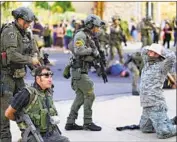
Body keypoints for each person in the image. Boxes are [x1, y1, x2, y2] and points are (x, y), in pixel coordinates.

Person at [0, 7, 41, 142]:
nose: (28, 24)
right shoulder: (9, 31)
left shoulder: (26, 34)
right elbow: (11, 55)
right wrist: (30, 60)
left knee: (25, 107)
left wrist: (37, 68)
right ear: (18, 19)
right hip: (6, 77)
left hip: (19, 77)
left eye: (30, 22)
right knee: (5, 114)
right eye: (26, 22)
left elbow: (31, 53)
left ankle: (28, 137)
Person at [5, 66, 70, 142]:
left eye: (51, 76)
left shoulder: (48, 93)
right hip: (33, 134)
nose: (50, 79)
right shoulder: (27, 93)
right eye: (46, 76)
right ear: (38, 78)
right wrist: (22, 122)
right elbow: (8, 113)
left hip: (50, 133)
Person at [65, 14, 104, 131]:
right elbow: (79, 50)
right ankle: (88, 122)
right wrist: (92, 51)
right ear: (90, 25)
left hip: (81, 71)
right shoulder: (81, 35)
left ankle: (70, 122)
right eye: (96, 27)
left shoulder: (88, 36)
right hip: (79, 71)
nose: (98, 29)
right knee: (90, 95)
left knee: (80, 98)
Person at [139, 43, 177, 139]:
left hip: (156, 103)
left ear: (158, 54)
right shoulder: (147, 63)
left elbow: (172, 57)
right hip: (146, 104)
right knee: (145, 129)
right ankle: (166, 121)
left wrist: (160, 50)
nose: (149, 52)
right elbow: (143, 50)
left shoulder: (162, 66)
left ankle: (167, 125)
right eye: (150, 51)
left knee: (164, 133)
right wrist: (152, 48)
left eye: (153, 52)